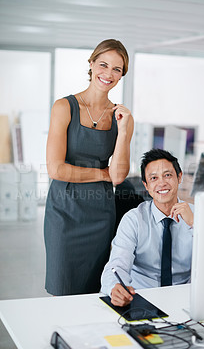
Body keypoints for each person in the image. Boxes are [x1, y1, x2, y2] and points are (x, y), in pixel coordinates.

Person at [44, 39, 134, 296]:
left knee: (98, 291)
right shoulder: (64, 107)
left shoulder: (122, 118)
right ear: (92, 64)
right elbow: (56, 170)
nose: (108, 74)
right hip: (64, 212)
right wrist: (102, 174)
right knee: (62, 288)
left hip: (100, 215)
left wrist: (125, 129)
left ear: (122, 75)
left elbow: (118, 176)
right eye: (103, 64)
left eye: (117, 69)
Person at [101, 148, 194, 306]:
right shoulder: (134, 219)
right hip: (142, 296)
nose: (161, 183)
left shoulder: (198, 214)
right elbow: (117, 264)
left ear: (179, 177)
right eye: (153, 178)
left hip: (186, 296)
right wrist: (115, 287)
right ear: (146, 185)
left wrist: (195, 224)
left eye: (167, 175)